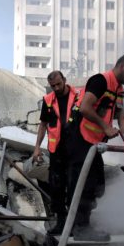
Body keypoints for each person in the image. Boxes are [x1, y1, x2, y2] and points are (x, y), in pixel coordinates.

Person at [66, 53, 124, 232]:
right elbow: (85, 107)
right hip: (80, 139)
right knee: (84, 184)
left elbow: (122, 118)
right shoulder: (100, 81)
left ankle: (82, 222)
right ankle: (79, 227)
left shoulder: (119, 90)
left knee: (98, 186)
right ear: (122, 66)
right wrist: (105, 127)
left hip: (93, 144)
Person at [32, 70, 80, 235]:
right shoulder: (48, 100)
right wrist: (37, 147)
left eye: (59, 84)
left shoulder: (78, 97)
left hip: (76, 151)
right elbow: (43, 124)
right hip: (57, 152)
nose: (57, 88)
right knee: (57, 188)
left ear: (64, 80)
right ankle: (61, 223)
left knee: (75, 187)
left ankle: (76, 224)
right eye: (53, 86)